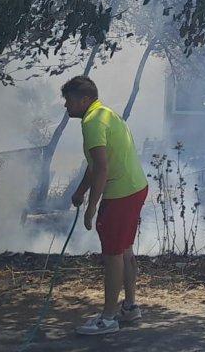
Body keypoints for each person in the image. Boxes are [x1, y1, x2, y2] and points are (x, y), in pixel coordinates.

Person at [61, 75, 149, 336]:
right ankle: (130, 307)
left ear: (84, 99)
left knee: (112, 255)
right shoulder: (106, 114)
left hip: (120, 193)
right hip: (136, 187)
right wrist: (80, 192)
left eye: (69, 102)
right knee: (125, 249)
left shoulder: (91, 122)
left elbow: (101, 167)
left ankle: (108, 318)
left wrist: (91, 207)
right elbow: (97, 162)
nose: (66, 107)